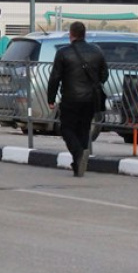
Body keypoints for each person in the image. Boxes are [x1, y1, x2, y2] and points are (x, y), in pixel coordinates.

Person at [46, 22, 108, 177]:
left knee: (66, 128)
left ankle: (79, 153)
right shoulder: (97, 51)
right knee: (84, 128)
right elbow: (104, 75)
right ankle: (78, 163)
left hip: (71, 97)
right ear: (84, 34)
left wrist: (51, 98)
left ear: (71, 34)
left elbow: (55, 77)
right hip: (91, 99)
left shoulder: (63, 52)